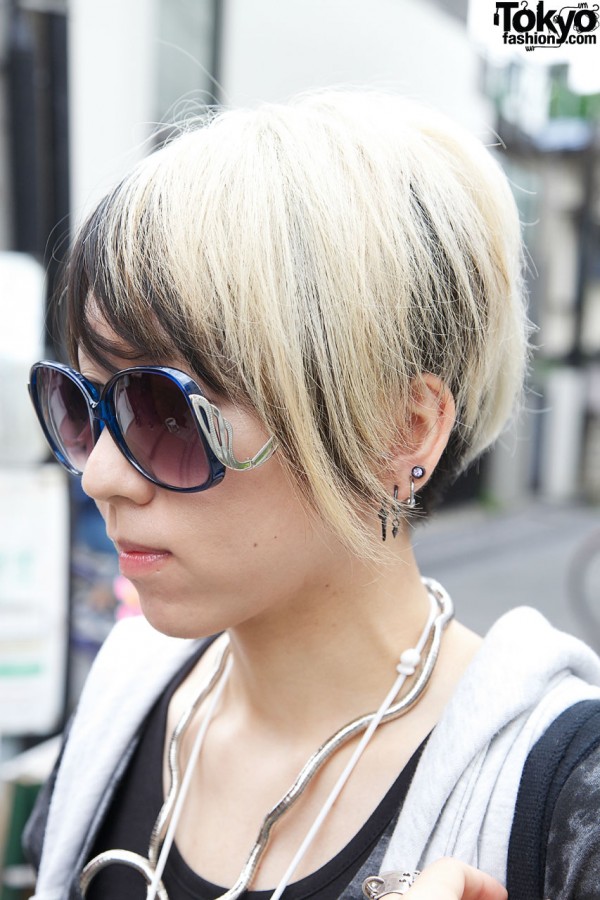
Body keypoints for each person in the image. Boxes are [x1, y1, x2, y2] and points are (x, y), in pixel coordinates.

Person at [23, 90, 600, 900]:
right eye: (81, 407)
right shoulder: (127, 699)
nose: (101, 476)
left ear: (402, 429)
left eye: (164, 411)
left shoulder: (561, 798)